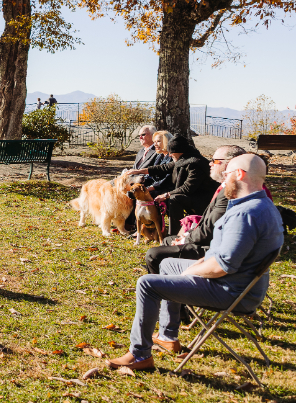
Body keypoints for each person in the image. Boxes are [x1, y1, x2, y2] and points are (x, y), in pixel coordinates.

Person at [108, 153, 284, 370]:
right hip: (239, 282)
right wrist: (198, 264)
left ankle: (139, 354)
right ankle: (168, 335)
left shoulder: (246, 214)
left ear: (239, 175)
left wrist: (189, 273)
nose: (223, 179)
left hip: (231, 290)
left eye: (227, 174)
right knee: (167, 264)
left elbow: (222, 267)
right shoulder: (259, 204)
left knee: (147, 284)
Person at [144, 145, 247, 274]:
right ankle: (165, 273)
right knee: (167, 240)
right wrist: (188, 233)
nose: (210, 164)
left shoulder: (231, 193)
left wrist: (185, 239)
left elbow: (210, 231)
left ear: (229, 165)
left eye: (215, 161)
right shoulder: (225, 187)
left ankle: (166, 288)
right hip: (206, 239)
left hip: (211, 248)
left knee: (153, 255)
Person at [128, 135, 218, 236]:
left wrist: (166, 195)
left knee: (174, 199)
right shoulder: (183, 159)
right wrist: (140, 171)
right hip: (192, 195)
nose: (169, 155)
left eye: (171, 152)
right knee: (172, 197)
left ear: (180, 151)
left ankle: (174, 235)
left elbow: (187, 188)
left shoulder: (195, 163)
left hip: (204, 199)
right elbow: (163, 168)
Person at [143, 131, 174, 195]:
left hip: (165, 189)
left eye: (158, 141)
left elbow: (167, 180)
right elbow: (151, 175)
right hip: (155, 186)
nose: (155, 144)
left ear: (167, 142)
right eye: (154, 142)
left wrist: (150, 188)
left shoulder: (172, 157)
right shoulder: (159, 156)